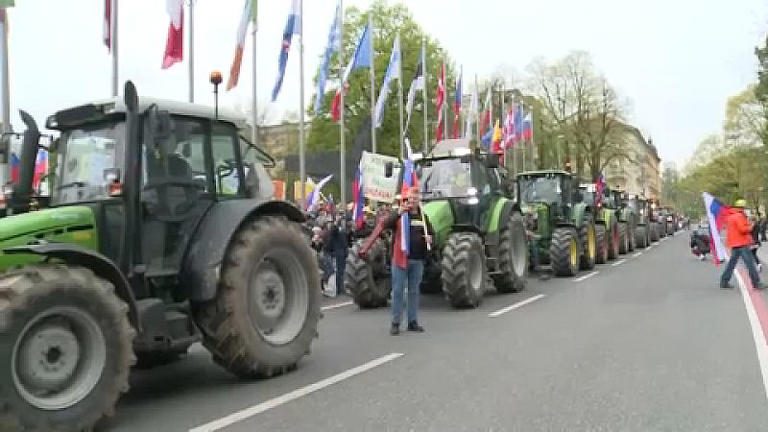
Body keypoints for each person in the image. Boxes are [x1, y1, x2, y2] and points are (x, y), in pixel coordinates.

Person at [380, 187, 432, 335]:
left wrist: (430, 239)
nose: (412, 201)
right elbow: (385, 224)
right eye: (410, 198)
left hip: (417, 260)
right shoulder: (400, 214)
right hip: (400, 259)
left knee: (414, 291)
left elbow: (430, 232)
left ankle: (412, 321)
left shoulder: (423, 217)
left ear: (418, 200)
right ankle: (395, 322)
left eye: (415, 199)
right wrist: (398, 212)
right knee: (397, 291)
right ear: (406, 199)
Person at [720, 199, 767, 290]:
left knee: (732, 263)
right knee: (750, 264)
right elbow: (743, 229)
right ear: (742, 207)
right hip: (742, 243)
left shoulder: (731, 216)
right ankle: (756, 283)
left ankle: (724, 281)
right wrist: (751, 226)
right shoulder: (739, 216)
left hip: (734, 243)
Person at [326, 210, 350, 296]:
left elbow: (345, 240)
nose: (342, 218)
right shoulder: (335, 229)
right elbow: (333, 231)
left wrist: (346, 251)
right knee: (338, 272)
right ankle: (339, 289)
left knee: (342, 271)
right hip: (337, 252)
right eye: (340, 215)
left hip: (342, 252)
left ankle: (341, 288)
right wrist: (336, 222)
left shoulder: (343, 229)